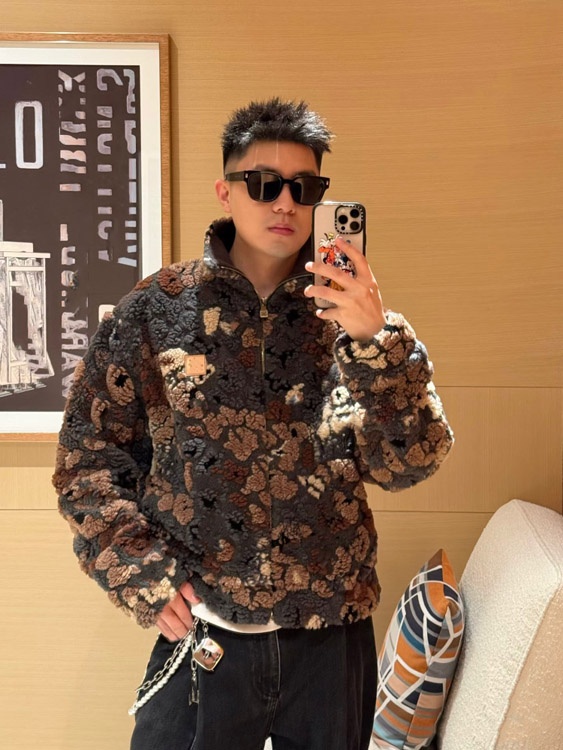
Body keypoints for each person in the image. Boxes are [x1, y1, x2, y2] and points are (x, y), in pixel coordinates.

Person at [53, 97, 454, 750]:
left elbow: (408, 462)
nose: (285, 203)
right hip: (203, 631)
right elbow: (88, 462)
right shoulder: (154, 313)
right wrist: (141, 573)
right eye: (264, 184)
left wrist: (375, 342)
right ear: (226, 191)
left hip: (329, 640)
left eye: (305, 188)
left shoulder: (354, 322)